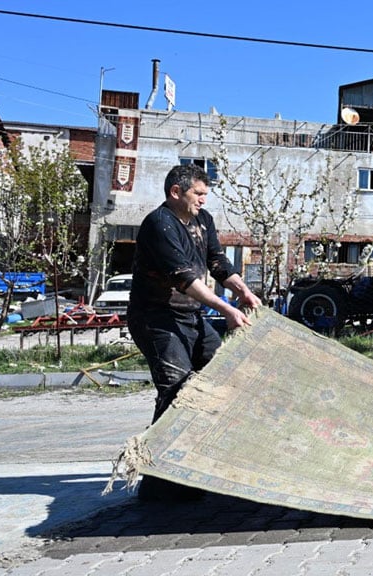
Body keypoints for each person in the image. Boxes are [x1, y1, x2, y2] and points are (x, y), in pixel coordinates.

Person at [128, 164, 262, 499]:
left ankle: (200, 463)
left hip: (191, 317)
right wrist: (228, 310)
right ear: (177, 192)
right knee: (177, 390)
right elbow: (183, 279)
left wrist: (242, 292)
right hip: (156, 319)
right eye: (198, 194)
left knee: (223, 372)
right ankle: (158, 481)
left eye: (205, 194)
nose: (203, 200)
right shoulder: (159, 225)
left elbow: (218, 263)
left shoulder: (203, 221)